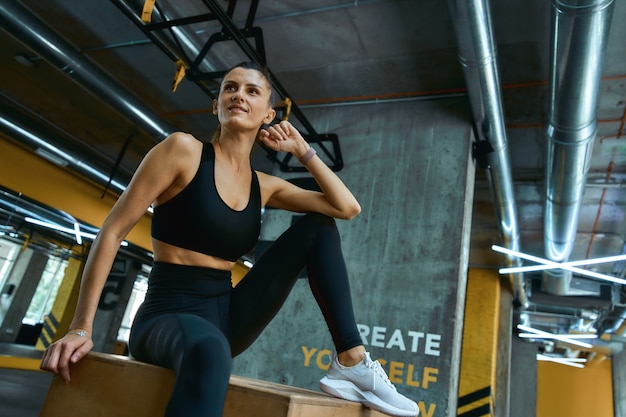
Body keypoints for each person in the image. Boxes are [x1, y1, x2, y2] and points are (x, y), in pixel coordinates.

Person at [40, 61, 419, 417]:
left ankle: (351, 363)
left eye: (253, 91)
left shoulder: (264, 186)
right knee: (209, 349)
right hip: (167, 315)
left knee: (317, 228)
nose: (239, 95)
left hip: (227, 315)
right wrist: (81, 327)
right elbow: (113, 231)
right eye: (230, 88)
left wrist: (303, 151)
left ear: (268, 115)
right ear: (217, 103)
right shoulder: (182, 151)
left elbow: (347, 207)